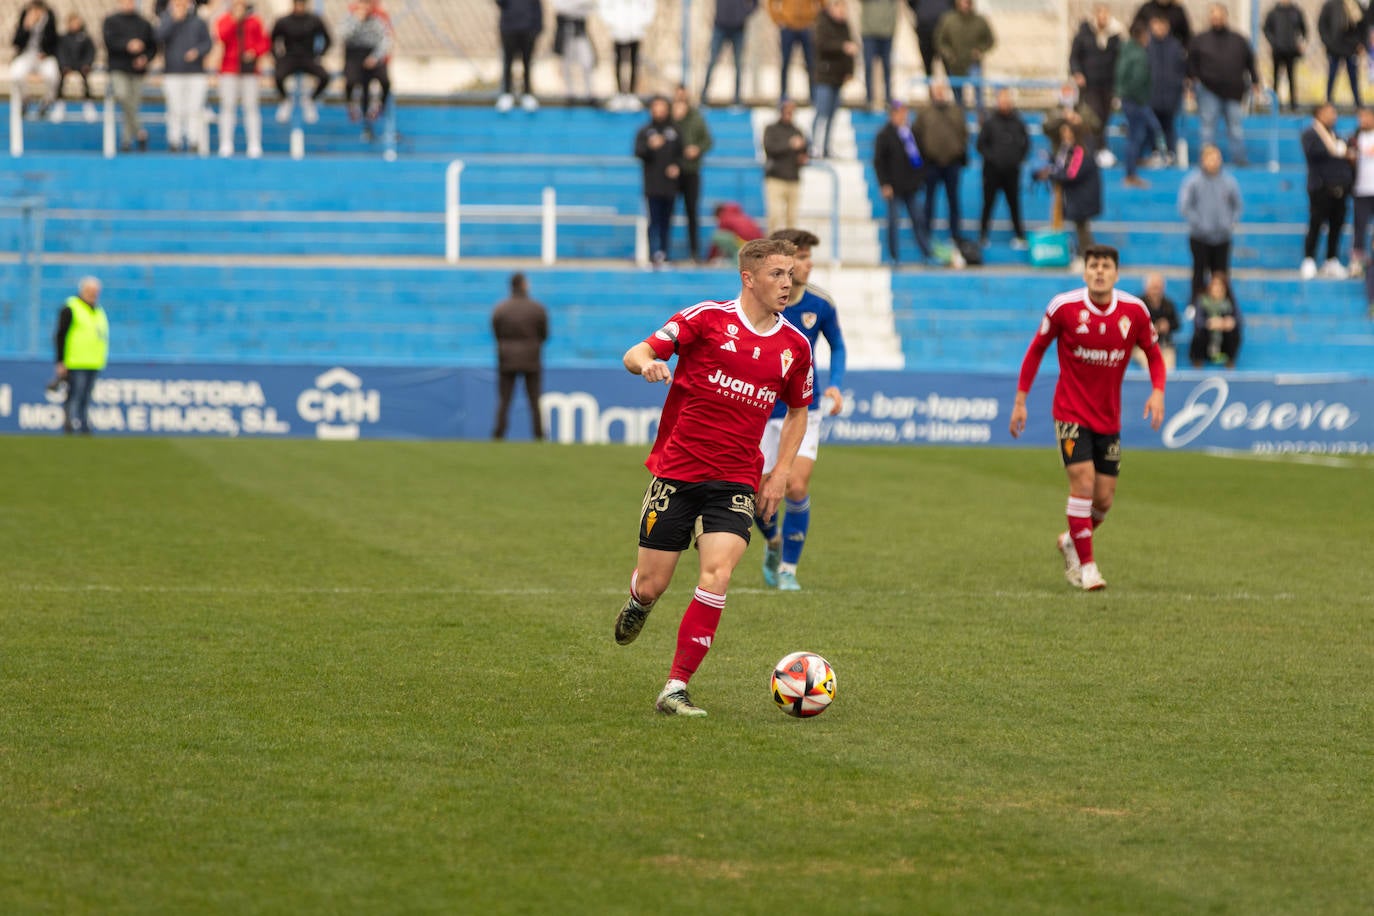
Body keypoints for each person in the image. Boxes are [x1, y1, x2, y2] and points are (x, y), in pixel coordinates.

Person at [613, 237, 814, 717]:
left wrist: (780, 472)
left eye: (791, 274)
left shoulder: (794, 346)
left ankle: (676, 686)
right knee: (652, 584)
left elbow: (798, 412)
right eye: (776, 275)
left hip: (736, 480)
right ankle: (638, 602)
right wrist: (648, 364)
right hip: (678, 472)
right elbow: (636, 352)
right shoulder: (704, 319)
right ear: (749, 278)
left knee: (717, 572)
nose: (788, 283)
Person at [1009, 245, 1167, 592]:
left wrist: (1158, 391)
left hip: (1108, 419)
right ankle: (1087, 567)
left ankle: (1071, 541)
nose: (1099, 271)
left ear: (1116, 273)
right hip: (1070, 412)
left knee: (1104, 499)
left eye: (1105, 266)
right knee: (1082, 483)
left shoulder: (1134, 312)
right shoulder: (1064, 308)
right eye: (1093, 265)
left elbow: (1154, 355)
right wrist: (1021, 400)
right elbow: (1036, 349)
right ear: (1084, 273)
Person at [754, 228, 844, 592]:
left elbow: (838, 346)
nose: (807, 265)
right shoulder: (761, 300)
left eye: (808, 258)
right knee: (758, 491)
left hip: (804, 406)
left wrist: (836, 383)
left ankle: (789, 569)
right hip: (760, 407)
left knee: (796, 484)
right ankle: (774, 542)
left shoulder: (821, 303)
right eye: (800, 258)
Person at [1187, 3, 1261, 167]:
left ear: (1226, 17)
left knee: (1235, 129)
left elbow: (1250, 63)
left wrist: (1256, 82)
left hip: (1233, 92)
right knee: (1207, 130)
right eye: (1214, 15)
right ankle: (1206, 163)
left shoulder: (1239, 39)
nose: (1217, 19)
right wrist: (1191, 84)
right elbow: (1191, 64)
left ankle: (1240, 161)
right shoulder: (1200, 40)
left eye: (1220, 15)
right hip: (1208, 91)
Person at [1178, 143, 1243, 301]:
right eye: (1210, 158)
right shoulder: (1193, 181)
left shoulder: (1229, 182)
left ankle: (1224, 306)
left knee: (1221, 273)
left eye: (1216, 158)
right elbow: (1185, 206)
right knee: (1199, 271)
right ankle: (1195, 303)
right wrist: (1199, 224)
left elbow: (1237, 205)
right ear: (1203, 160)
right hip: (1199, 237)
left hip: (1222, 237)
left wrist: (1229, 223)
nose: (1214, 162)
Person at [873, 98, 933, 264]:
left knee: (918, 220)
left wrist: (919, 179)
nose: (903, 116)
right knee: (893, 222)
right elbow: (879, 162)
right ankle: (893, 256)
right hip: (894, 187)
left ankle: (926, 252)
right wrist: (884, 184)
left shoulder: (911, 133)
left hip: (911, 187)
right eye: (900, 113)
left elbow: (920, 159)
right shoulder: (884, 135)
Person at [490, 272, 549, 441]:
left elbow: (496, 332)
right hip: (531, 358)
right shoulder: (537, 308)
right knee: (534, 400)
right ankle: (539, 436)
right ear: (524, 285)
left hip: (506, 358)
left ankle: (498, 435)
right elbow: (544, 333)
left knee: (504, 400)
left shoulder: (501, 308)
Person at [913, 80, 968, 257]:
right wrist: (924, 156)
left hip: (952, 163)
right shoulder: (925, 113)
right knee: (929, 200)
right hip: (931, 164)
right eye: (936, 90)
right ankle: (926, 232)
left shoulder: (955, 111)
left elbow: (964, 134)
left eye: (941, 90)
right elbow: (916, 136)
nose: (939, 93)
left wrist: (958, 151)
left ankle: (955, 233)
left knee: (953, 200)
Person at [1301, 101, 1355, 278]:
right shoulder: (1311, 134)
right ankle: (1309, 259)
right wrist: (1339, 151)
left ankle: (1331, 259)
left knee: (1336, 225)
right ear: (1318, 113)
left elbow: (1347, 152)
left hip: (1340, 190)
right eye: (1329, 112)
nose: (1333, 116)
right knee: (1316, 224)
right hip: (1321, 188)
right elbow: (1316, 153)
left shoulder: (1335, 135)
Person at [52, 276, 108, 436]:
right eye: (90, 291)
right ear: (82, 290)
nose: (93, 294)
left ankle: (84, 427)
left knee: (86, 397)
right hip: (75, 361)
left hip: (94, 362)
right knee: (75, 395)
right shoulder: (71, 307)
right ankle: (69, 426)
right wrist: (60, 361)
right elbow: (60, 335)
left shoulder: (98, 310)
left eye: (96, 292)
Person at [1039, 121, 1102, 262]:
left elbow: (1072, 174)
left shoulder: (1081, 151)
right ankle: (1087, 256)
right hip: (1077, 196)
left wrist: (1050, 175)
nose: (1065, 136)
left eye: (1068, 132)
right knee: (1080, 227)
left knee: (1082, 228)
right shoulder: (1068, 150)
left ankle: (1090, 257)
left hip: (1083, 197)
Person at [976, 87, 1029, 250]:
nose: (1004, 103)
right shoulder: (990, 122)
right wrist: (993, 159)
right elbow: (980, 145)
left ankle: (1019, 236)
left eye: (1007, 100)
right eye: (1002, 100)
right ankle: (983, 235)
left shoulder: (1018, 121)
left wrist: (1016, 159)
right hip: (992, 172)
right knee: (988, 204)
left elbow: (1026, 143)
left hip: (1012, 173)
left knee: (1014, 204)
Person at [157, 0, 212, 154]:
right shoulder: (166, 19)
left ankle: (193, 140)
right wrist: (174, 21)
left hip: (195, 73)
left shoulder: (198, 21)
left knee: (194, 108)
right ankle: (175, 140)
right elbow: (158, 37)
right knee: (175, 108)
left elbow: (208, 43)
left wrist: (197, 52)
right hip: (173, 72)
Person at [215, 0, 268, 158]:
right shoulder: (224, 19)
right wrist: (234, 20)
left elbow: (264, 42)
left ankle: (254, 143)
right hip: (229, 70)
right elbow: (222, 36)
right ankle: (226, 143)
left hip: (249, 71)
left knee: (251, 107)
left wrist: (254, 52)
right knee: (227, 107)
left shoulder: (255, 21)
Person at [634, 95, 683, 266]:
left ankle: (665, 252)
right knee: (653, 221)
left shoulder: (675, 130)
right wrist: (650, 146)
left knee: (666, 221)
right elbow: (638, 152)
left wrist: (677, 166)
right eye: (656, 107)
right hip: (652, 184)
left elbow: (682, 154)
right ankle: (652, 252)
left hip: (670, 185)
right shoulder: (645, 131)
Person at [1069, 3, 1123, 154]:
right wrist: (1077, 72)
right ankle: (1095, 148)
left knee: (1105, 116)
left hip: (1107, 84)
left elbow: (1119, 60)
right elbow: (1074, 57)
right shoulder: (1083, 34)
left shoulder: (1115, 37)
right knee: (1094, 115)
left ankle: (1099, 148)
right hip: (1090, 85)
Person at [1116, 20, 1164, 188]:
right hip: (1136, 101)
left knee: (1143, 132)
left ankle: (1137, 162)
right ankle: (1131, 173)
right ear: (1143, 36)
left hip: (1130, 100)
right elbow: (1136, 80)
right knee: (1136, 136)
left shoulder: (1127, 50)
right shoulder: (1138, 55)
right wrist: (1142, 100)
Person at [104, 0, 157, 152]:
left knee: (132, 104)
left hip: (137, 71)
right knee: (123, 96)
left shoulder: (143, 23)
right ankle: (140, 132)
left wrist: (145, 58)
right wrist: (127, 45)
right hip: (118, 68)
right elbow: (109, 43)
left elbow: (152, 47)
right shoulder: (111, 21)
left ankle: (126, 141)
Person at [271, 0, 332, 125]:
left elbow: (328, 39)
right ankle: (286, 100)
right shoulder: (283, 21)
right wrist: (277, 58)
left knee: (325, 76)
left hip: (308, 57)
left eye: (302, 4)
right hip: (289, 57)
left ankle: (310, 100)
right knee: (278, 76)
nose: (299, 6)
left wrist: (320, 55)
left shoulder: (314, 20)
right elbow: (272, 40)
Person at [339, 0, 393, 136]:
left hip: (371, 54)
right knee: (352, 81)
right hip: (354, 55)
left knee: (384, 80)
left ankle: (380, 106)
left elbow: (385, 40)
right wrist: (357, 21)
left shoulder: (377, 21)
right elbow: (343, 36)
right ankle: (352, 106)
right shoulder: (348, 19)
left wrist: (375, 57)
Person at [672, 86, 713, 263]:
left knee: (692, 212)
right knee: (666, 212)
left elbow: (708, 141)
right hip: (672, 173)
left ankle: (694, 252)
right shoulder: (670, 118)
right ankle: (662, 251)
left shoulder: (696, 118)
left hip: (691, 171)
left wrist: (697, 149)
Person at [813, 0, 857, 159]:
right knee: (821, 113)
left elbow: (850, 50)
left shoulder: (844, 26)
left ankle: (826, 147)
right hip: (824, 77)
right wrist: (842, 47)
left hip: (838, 78)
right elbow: (822, 45)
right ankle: (815, 147)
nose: (842, 12)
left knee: (832, 115)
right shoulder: (822, 23)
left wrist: (849, 71)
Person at [933, 0, 993, 114]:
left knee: (978, 92)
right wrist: (949, 54)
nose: (965, 4)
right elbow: (940, 41)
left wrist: (980, 50)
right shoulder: (948, 20)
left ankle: (981, 117)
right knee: (958, 97)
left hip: (973, 64)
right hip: (955, 65)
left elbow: (990, 40)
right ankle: (960, 118)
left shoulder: (980, 21)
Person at [762, 100, 809, 233]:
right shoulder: (771, 129)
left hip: (793, 178)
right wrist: (789, 145)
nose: (789, 114)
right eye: (787, 110)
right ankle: (771, 248)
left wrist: (803, 157)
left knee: (792, 219)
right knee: (774, 216)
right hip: (775, 178)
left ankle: (789, 251)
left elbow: (803, 152)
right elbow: (770, 149)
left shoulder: (797, 130)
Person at [701, 0, 757, 107]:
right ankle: (704, 96)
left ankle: (737, 98)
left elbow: (756, 4)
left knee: (738, 64)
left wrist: (744, 13)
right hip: (720, 26)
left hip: (738, 28)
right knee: (712, 61)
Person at [9, 0, 59, 120]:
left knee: (53, 75)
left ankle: (47, 101)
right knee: (16, 74)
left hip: (44, 57)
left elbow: (55, 41)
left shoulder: (50, 18)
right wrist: (26, 27)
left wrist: (46, 53)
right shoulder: (24, 16)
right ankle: (25, 99)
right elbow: (16, 42)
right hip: (27, 55)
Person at [601, 0, 654, 112]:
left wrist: (640, 23)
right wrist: (615, 23)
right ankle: (619, 93)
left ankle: (632, 94)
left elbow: (649, 7)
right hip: (617, 31)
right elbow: (605, 7)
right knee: (618, 62)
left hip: (635, 31)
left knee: (634, 63)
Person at [1147, 13, 1187, 158]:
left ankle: (1171, 153)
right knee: (1151, 127)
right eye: (1156, 24)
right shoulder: (1146, 45)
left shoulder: (1175, 46)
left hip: (1171, 96)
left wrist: (1178, 87)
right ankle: (1155, 152)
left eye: (1162, 25)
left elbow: (1182, 69)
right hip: (1151, 96)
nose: (1159, 28)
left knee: (1169, 126)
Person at [768, 0, 821, 104]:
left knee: (811, 63)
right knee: (785, 62)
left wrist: (815, 18)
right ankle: (783, 95)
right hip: (788, 26)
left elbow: (823, 4)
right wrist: (777, 18)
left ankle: (813, 96)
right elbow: (770, 3)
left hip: (806, 27)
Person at [1187, 270, 1242, 368]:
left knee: (1234, 332)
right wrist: (1209, 323)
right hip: (1207, 341)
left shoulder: (1229, 303)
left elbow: (1238, 320)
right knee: (1199, 333)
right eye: (1215, 286)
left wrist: (1227, 323)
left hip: (1223, 342)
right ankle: (1198, 360)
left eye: (1220, 286)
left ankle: (1229, 360)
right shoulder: (1202, 301)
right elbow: (1197, 321)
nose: (1217, 289)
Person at [495, 0, 542, 112]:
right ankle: (506, 94)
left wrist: (538, 27)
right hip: (509, 28)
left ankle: (527, 94)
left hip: (528, 28)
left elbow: (537, 6)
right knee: (508, 62)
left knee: (527, 63)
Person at [1318, 0, 1365, 107]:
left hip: (1350, 48)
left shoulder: (1353, 4)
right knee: (1332, 75)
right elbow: (1322, 25)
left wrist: (1359, 43)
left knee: (1353, 76)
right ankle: (1329, 100)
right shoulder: (1330, 5)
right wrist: (1328, 42)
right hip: (1334, 48)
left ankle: (1358, 102)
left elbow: (1361, 26)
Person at [1263, 0, 1308, 112]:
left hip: (1291, 51)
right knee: (1275, 77)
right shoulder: (1273, 12)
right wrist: (1273, 42)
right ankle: (1274, 105)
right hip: (1277, 50)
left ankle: (1293, 104)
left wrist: (1300, 42)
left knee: (1291, 77)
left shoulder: (1296, 12)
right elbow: (1266, 29)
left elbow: (1304, 29)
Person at [54, 11, 97, 123]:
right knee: (61, 79)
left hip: (82, 65)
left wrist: (87, 64)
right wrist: (64, 65)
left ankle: (88, 104)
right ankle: (59, 104)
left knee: (85, 80)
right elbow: (60, 52)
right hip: (67, 66)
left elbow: (91, 52)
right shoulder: (63, 38)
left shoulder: (86, 38)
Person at [1134, 272, 1180, 372]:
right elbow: (1132, 326)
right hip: (1143, 347)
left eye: (1159, 288)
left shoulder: (1168, 304)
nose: (1156, 291)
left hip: (1164, 345)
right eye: (1154, 288)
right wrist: (1150, 328)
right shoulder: (1138, 304)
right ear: (1147, 288)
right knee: (1149, 365)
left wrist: (1168, 325)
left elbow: (1177, 324)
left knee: (1169, 368)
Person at [552, 0, 594, 105]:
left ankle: (589, 93)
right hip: (565, 30)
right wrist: (577, 6)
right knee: (566, 64)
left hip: (581, 30)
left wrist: (573, 6)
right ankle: (569, 94)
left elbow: (589, 7)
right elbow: (559, 7)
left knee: (587, 61)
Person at [859, 0, 896, 109]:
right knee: (868, 66)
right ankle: (869, 99)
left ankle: (888, 98)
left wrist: (891, 28)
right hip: (869, 34)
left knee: (887, 67)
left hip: (886, 33)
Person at [1350, 107, 1374, 276]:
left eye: (1367, 117)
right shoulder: (1354, 138)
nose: (1363, 120)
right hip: (1361, 190)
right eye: (1361, 117)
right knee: (1360, 227)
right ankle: (1357, 263)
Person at [907, 0, 951, 78]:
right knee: (928, 69)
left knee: (949, 67)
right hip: (925, 31)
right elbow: (911, 3)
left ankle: (955, 89)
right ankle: (930, 89)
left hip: (945, 32)